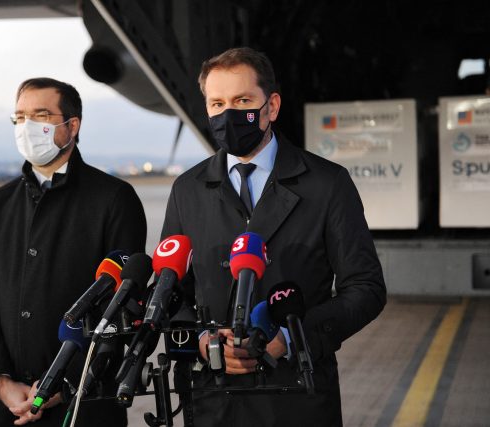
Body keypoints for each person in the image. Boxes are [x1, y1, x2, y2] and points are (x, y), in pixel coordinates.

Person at [160, 47, 387, 426]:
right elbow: (172, 290)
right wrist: (200, 340)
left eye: (242, 100)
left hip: (297, 394)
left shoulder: (327, 184)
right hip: (214, 399)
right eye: (216, 103)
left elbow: (365, 288)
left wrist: (292, 337)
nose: (228, 114)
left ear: (272, 107)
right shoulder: (187, 190)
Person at [0, 77, 147, 426]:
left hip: (83, 404)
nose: (27, 126)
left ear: (72, 125)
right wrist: (0, 381)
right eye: (19, 117)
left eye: (41, 114)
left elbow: (123, 310)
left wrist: (63, 385)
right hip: (11, 406)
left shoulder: (113, 199)